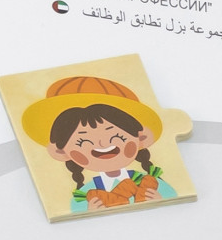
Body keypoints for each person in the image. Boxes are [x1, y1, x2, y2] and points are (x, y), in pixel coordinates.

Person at [21, 74, 178, 214]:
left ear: (141, 138)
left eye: (116, 136)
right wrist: (89, 211)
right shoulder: (85, 194)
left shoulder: (152, 183)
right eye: (83, 141)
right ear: (61, 152)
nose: (102, 144)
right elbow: (74, 211)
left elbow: (173, 197)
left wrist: (159, 199)